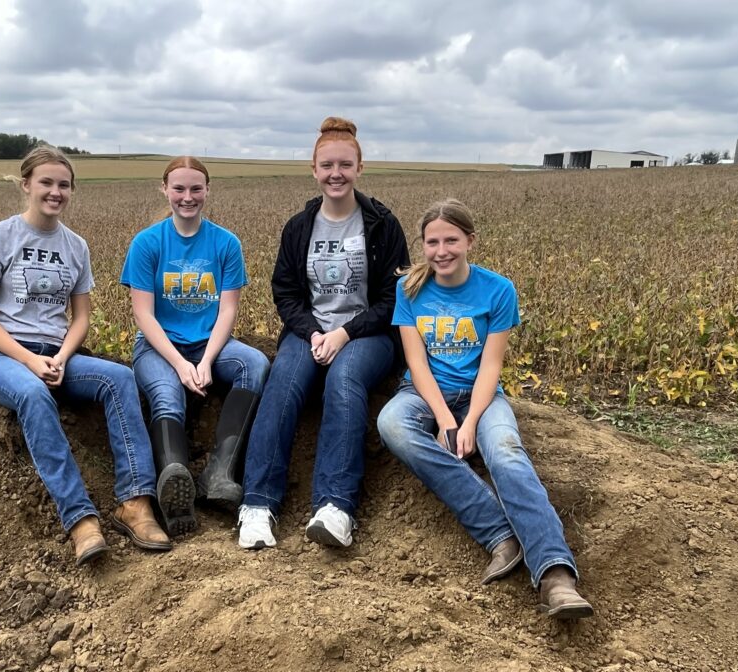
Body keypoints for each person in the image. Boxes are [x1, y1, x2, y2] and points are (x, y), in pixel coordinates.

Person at [376, 199, 593, 619]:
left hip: (482, 395)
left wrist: (471, 421)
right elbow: (417, 364)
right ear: (422, 245)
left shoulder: (498, 290)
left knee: (507, 455)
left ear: (470, 241)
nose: (441, 251)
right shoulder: (409, 290)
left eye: (451, 240)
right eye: (432, 242)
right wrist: (445, 421)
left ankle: (556, 575)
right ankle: (499, 533)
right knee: (392, 423)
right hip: (424, 393)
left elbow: (491, 366)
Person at [0, 145, 170, 566]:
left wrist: (60, 356)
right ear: (26, 185)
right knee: (33, 393)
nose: (55, 192)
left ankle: (135, 503)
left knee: (120, 377)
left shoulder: (76, 246)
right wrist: (29, 361)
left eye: (64, 184)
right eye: (46, 182)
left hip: (58, 354)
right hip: (2, 357)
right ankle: (80, 519)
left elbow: (81, 318)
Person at [235, 117, 409, 550]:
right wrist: (313, 332)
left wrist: (345, 333)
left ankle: (335, 507)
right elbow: (285, 292)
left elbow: (393, 297)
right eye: (327, 165)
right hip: (309, 331)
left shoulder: (383, 224)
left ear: (359, 168)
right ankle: (257, 505)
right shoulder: (299, 227)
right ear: (313, 169)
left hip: (369, 335)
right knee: (282, 380)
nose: (336, 173)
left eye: (345, 165)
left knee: (344, 379)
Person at [120, 156, 269, 535]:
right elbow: (144, 315)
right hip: (158, 348)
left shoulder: (225, 243)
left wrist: (205, 360)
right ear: (165, 190)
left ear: (207, 190)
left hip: (210, 344)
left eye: (196, 189)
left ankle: (219, 472)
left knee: (254, 364)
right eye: (179, 188)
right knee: (167, 394)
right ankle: (175, 482)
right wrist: (180, 363)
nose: (188, 197)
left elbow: (227, 310)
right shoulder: (147, 243)